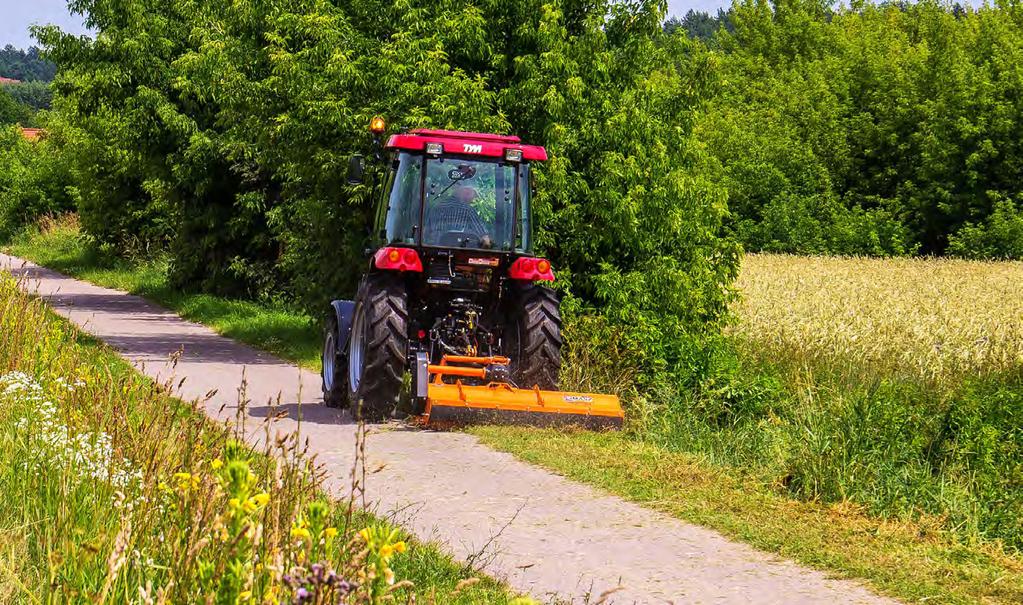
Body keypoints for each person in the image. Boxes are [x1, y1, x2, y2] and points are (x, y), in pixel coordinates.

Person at [425, 185, 492, 247]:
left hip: (435, 252)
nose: (473, 199)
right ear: (466, 192)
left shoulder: (436, 208)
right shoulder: (467, 210)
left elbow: (425, 234)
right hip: (460, 253)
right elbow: (484, 238)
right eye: (473, 195)